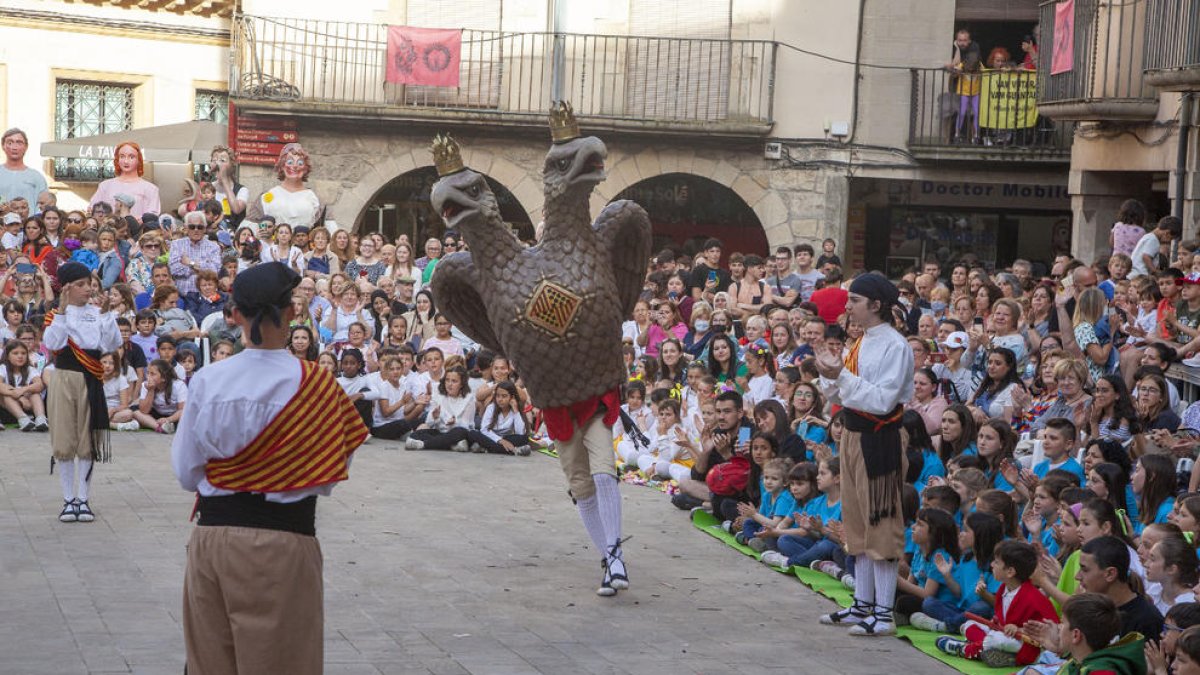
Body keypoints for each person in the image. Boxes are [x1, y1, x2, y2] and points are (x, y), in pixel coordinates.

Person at [170, 262, 368, 674]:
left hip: (213, 538)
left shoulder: (208, 380)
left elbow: (187, 472)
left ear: (235, 314)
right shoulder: (320, 385)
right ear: (292, 312)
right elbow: (332, 470)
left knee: (210, 663)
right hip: (285, 541)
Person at [812, 272, 915, 636]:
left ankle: (883, 613)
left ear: (876, 304)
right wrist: (829, 373)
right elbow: (843, 393)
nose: (848, 306)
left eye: (855, 300)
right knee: (855, 522)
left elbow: (883, 400)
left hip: (879, 438)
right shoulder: (862, 341)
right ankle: (863, 605)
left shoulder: (895, 345)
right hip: (853, 435)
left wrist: (840, 375)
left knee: (881, 524)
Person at [42, 262, 123, 523]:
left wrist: (108, 315)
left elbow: (112, 344)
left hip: (91, 378)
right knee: (65, 438)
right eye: (80, 285)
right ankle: (68, 499)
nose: (88, 288)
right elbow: (52, 344)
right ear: (66, 288)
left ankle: (83, 499)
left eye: (89, 283)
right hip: (65, 377)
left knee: (87, 440)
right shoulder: (56, 313)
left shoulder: (97, 312)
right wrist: (63, 313)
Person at [88, 142, 160, 219]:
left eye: (131, 157)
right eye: (122, 157)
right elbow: (93, 209)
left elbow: (152, 215)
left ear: (138, 160)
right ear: (117, 159)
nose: (126, 161)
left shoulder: (150, 189)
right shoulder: (105, 186)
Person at [0, 128, 48, 212]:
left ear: (26, 147)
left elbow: (44, 206)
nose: (14, 147)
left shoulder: (36, 177)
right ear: (3, 146)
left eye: (19, 143)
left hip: (28, 224)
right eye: (10, 143)